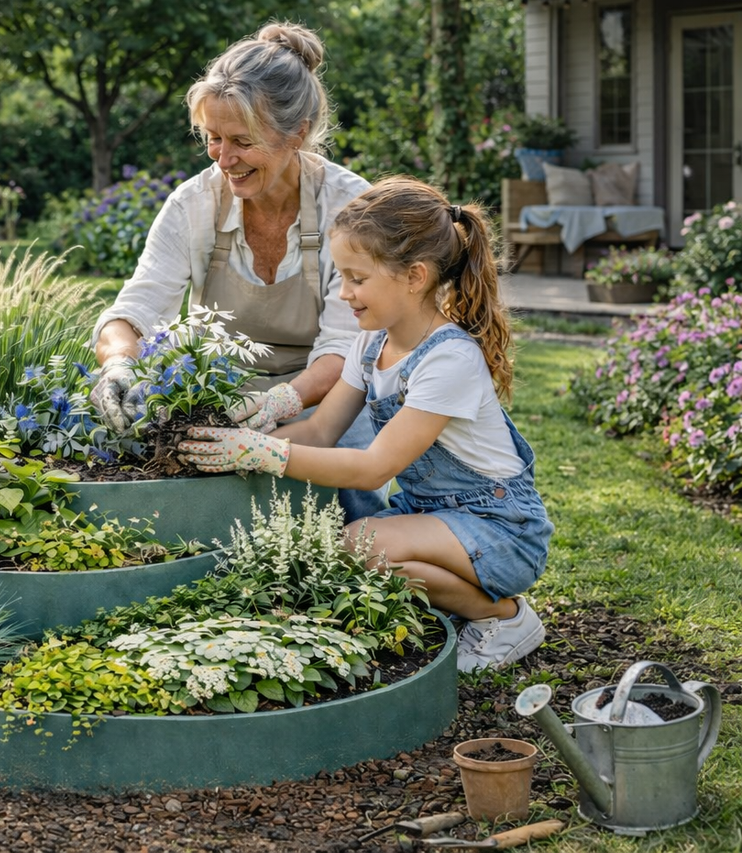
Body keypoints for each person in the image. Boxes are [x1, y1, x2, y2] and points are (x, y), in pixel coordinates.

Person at [176, 176, 553, 672]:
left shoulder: (449, 359)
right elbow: (318, 432)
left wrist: (262, 453)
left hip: (502, 530)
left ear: (415, 276)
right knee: (360, 548)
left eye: (357, 278)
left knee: (359, 544)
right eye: (341, 277)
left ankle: (504, 616)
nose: (346, 294)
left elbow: (374, 468)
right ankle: (463, 608)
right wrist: (257, 426)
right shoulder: (371, 344)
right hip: (436, 519)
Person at [88, 20, 384, 520]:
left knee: (347, 516)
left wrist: (278, 404)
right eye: (212, 138)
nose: (224, 159)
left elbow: (346, 347)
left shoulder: (349, 205)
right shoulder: (194, 205)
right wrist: (119, 362)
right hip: (218, 390)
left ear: (298, 134)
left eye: (241, 141)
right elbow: (136, 309)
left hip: (328, 393)